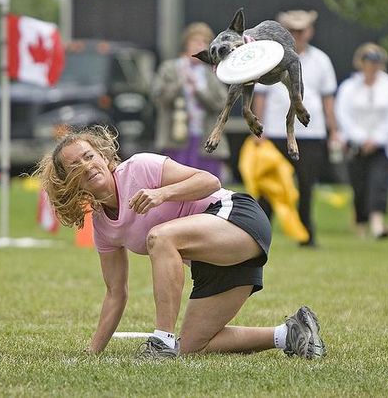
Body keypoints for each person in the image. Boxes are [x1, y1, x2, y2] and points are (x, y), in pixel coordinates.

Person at [33, 125, 326, 360]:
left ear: (104, 156)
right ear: (67, 182)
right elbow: (115, 294)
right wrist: (91, 353)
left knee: (160, 237)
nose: (86, 166)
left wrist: (162, 194)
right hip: (211, 259)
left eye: (89, 156)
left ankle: (161, 340)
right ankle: (289, 333)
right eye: (74, 165)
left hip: (236, 217)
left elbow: (209, 181)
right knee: (193, 346)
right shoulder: (103, 227)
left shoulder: (139, 167)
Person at [252, 10, 339, 247]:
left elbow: (327, 100)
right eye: (293, 31)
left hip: (311, 132)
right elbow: (261, 96)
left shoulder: (321, 60)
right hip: (276, 131)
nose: (297, 35)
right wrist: (258, 129)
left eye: (301, 31)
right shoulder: (271, 57)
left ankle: (306, 233)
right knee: (269, 186)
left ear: (309, 32)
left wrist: (334, 131)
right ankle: (258, 233)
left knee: (307, 185)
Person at [335, 43, 388, 238]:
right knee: (359, 184)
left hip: (384, 145)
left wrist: (377, 139)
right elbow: (343, 114)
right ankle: (360, 224)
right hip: (356, 145)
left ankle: (377, 224)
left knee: (379, 182)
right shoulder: (349, 87)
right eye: (368, 62)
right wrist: (360, 138)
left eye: (376, 62)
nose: (372, 66)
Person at [152, 22, 229, 180]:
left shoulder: (211, 72)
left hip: (204, 137)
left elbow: (222, 103)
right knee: (177, 183)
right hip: (177, 138)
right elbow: (159, 99)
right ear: (186, 43)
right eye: (196, 41)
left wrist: (199, 90)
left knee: (207, 185)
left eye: (204, 42)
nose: (200, 45)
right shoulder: (170, 68)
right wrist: (180, 82)